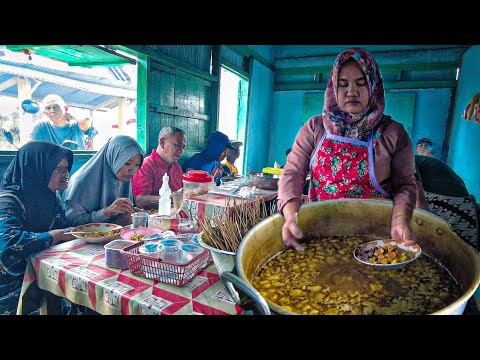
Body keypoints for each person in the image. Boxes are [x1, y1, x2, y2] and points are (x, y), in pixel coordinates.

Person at [278, 48, 417, 251]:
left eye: (361, 83)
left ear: (373, 86)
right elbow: (293, 172)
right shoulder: (315, 128)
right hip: (320, 234)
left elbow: (405, 185)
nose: (351, 91)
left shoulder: (393, 134)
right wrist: (291, 216)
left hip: (376, 239)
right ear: (334, 88)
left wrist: (400, 219)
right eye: (343, 85)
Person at [0, 141, 77, 315]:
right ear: (36, 169)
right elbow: (8, 244)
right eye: (58, 168)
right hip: (10, 283)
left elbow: (63, 228)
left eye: (66, 167)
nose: (66, 173)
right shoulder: (8, 200)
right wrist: (53, 236)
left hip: (39, 272)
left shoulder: (50, 195)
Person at [62, 135, 144, 227]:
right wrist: (106, 212)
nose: (132, 170)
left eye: (137, 165)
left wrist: (132, 212)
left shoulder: (124, 179)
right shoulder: (81, 182)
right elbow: (70, 222)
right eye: (127, 163)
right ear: (112, 157)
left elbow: (119, 219)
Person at [415, 154, 478, 249]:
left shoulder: (400, 159)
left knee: (458, 251)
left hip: (451, 203)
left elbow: (420, 204)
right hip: (438, 201)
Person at [132, 127, 186, 210]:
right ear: (162, 142)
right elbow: (139, 200)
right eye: (177, 145)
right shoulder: (146, 165)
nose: (181, 151)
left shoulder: (177, 167)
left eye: (183, 147)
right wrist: (168, 198)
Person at [29, 94, 94, 150]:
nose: (52, 110)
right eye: (48, 108)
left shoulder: (77, 125)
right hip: (53, 163)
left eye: (56, 107)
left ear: (65, 108)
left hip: (77, 163)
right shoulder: (42, 126)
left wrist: (70, 115)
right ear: (45, 112)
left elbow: (87, 120)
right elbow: (29, 144)